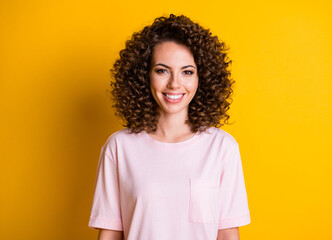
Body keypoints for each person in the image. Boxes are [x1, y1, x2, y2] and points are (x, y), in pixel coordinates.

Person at [88, 14, 251, 240]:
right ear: (144, 75)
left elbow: (227, 234)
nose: (175, 83)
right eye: (162, 70)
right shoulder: (119, 147)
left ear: (201, 77)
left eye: (187, 72)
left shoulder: (222, 148)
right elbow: (110, 233)